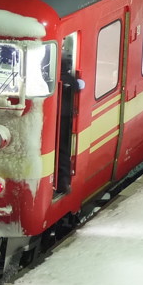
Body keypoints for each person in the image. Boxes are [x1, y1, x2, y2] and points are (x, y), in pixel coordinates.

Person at [57, 53, 83, 192]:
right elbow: (79, 87)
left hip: (55, 120)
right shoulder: (72, 80)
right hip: (67, 120)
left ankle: (61, 182)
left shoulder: (52, 80)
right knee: (64, 152)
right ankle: (64, 182)